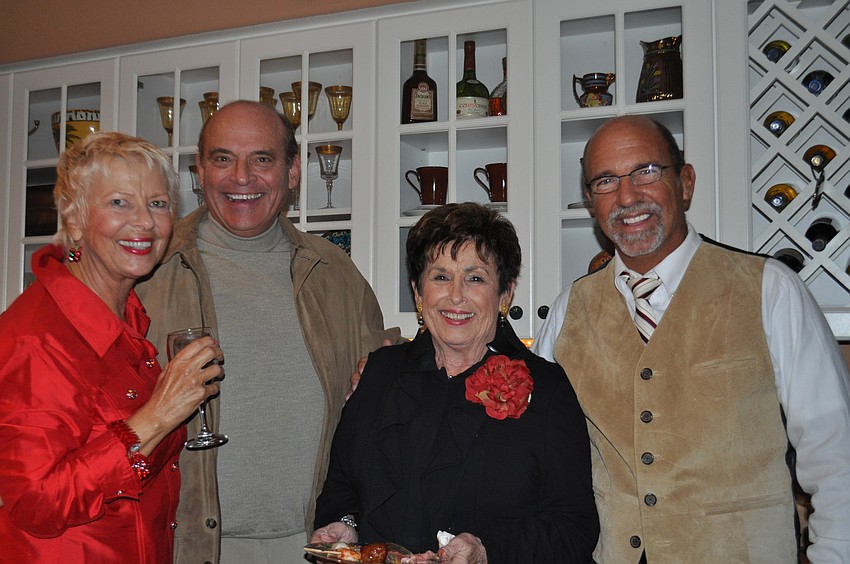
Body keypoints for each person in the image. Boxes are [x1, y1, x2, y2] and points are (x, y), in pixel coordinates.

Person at [533, 115, 850, 562]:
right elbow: (539, 454)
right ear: (591, 201)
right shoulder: (568, 310)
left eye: (646, 171)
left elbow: (835, 448)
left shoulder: (769, 289)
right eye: (605, 181)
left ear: (685, 182)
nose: (627, 197)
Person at [135, 100, 400, 563]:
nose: (241, 177)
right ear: (199, 171)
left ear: (293, 171)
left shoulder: (336, 274)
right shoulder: (147, 272)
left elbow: (378, 412)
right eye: (222, 158)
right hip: (183, 547)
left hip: (316, 547)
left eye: (262, 159)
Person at [312, 202, 599, 563]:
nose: (456, 295)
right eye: (440, 277)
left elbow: (574, 526)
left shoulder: (548, 389)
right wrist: (344, 524)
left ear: (505, 293)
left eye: (475, 278)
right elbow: (341, 483)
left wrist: (486, 551)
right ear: (418, 292)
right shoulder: (380, 373)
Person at [0, 132, 223, 563]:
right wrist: (157, 416)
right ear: (75, 219)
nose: (144, 222)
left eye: (157, 204)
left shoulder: (128, 320)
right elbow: (36, 504)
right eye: (120, 203)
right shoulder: (37, 337)